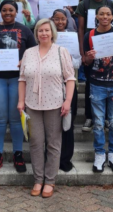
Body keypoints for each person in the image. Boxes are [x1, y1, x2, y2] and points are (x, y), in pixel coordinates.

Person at [18, 19, 75, 198]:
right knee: (35, 143)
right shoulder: (28, 52)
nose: (43, 33)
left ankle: (50, 181)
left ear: (52, 33)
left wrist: (68, 101)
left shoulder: (61, 52)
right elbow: (22, 79)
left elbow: (70, 78)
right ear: (36, 33)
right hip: (32, 103)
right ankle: (38, 179)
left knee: (53, 143)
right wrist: (21, 101)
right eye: (40, 31)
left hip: (55, 104)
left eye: (46, 30)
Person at [0, 0, 37, 173]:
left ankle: (18, 153)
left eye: (11, 10)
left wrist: (24, 60)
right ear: (0, 11)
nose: (7, 13)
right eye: (4, 10)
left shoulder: (24, 30)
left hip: (18, 79)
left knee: (15, 117)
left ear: (17, 11)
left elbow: (33, 52)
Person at [81, 5, 113, 173]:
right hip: (97, 85)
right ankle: (100, 153)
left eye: (108, 14)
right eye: (102, 14)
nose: (105, 16)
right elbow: (85, 62)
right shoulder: (90, 35)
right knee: (99, 123)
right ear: (97, 16)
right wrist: (88, 57)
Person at [75, 0, 113, 133]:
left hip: (109, 46)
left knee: (107, 82)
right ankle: (90, 116)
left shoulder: (110, 4)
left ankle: (107, 118)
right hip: (91, 46)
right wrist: (82, 51)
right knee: (90, 82)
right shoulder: (84, 4)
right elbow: (80, 29)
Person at [50, 10, 81, 172]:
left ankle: (65, 158)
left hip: (68, 85)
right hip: (50, 86)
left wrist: (65, 58)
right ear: (52, 20)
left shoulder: (72, 37)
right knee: (50, 123)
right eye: (57, 19)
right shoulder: (46, 35)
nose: (60, 22)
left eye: (63, 19)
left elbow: (78, 63)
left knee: (68, 123)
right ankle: (51, 157)